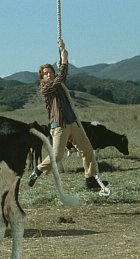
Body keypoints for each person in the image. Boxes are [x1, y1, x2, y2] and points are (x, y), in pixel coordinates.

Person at [28, 39, 108, 190]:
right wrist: (64, 61)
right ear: (41, 78)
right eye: (45, 74)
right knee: (57, 156)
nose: (49, 75)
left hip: (72, 123)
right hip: (59, 125)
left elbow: (61, 78)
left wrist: (62, 50)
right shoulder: (45, 89)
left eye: (51, 72)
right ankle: (37, 170)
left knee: (88, 150)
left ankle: (89, 180)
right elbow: (59, 79)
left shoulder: (58, 83)